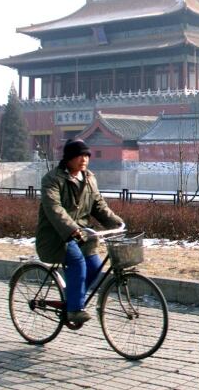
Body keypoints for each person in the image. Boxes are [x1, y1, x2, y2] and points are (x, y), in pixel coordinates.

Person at [36, 139, 123, 324]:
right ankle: (74, 309)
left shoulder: (89, 178)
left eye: (86, 155)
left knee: (95, 266)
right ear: (68, 158)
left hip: (81, 235)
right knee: (77, 262)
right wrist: (72, 229)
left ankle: (71, 297)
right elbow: (54, 209)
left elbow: (98, 205)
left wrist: (116, 223)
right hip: (56, 236)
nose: (83, 159)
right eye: (78, 155)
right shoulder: (52, 179)